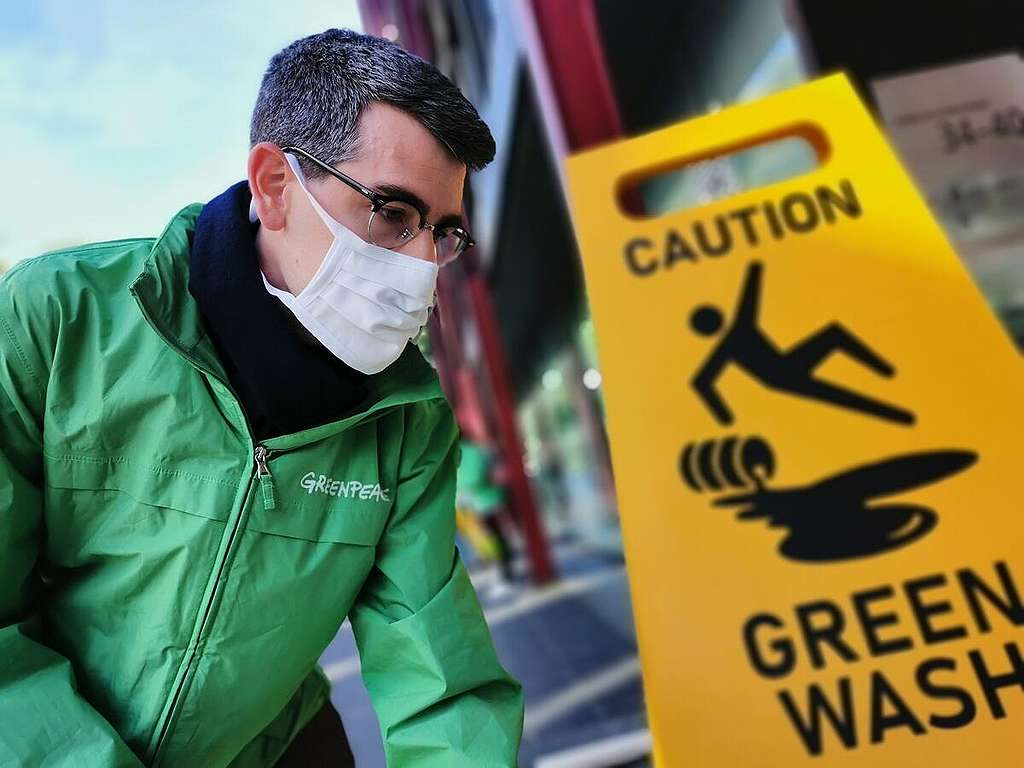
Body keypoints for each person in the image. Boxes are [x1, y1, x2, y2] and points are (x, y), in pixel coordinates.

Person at [0, 29, 523, 767]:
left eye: (442, 233)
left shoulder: (406, 420)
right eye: (392, 213)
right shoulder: (57, 321)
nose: (419, 267)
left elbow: (439, 677)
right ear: (276, 185)